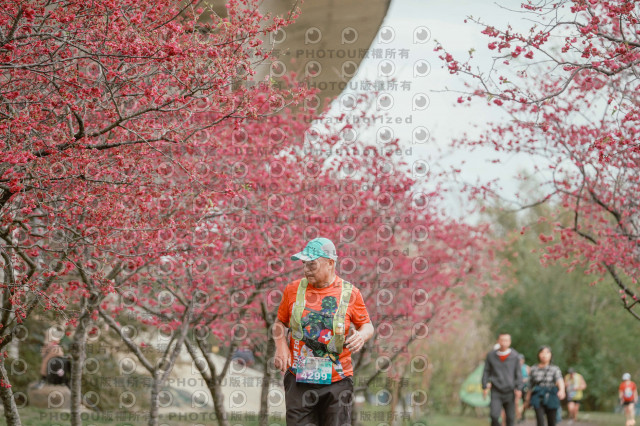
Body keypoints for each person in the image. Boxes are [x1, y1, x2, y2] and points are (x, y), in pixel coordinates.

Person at [273, 237, 375, 425]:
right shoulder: (293, 290)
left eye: (312, 264)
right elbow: (279, 323)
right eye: (304, 264)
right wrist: (281, 346)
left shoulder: (350, 293)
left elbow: (367, 326)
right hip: (299, 379)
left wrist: (362, 335)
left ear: (330, 263)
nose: (306, 269)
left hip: (338, 381)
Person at [482, 332, 523, 426]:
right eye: (502, 340)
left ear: (510, 342)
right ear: (498, 341)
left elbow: (518, 373)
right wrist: (484, 385)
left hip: (510, 391)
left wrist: (519, 388)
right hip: (496, 390)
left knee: (510, 418)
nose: (504, 343)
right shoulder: (491, 356)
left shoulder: (515, 356)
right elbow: (486, 371)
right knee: (494, 416)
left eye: (506, 340)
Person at [524, 346, 566, 426]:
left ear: (551, 355)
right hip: (538, 395)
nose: (544, 355)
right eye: (542, 352)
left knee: (552, 422)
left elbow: (559, 380)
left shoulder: (555, 369)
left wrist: (562, 390)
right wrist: (527, 400)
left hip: (551, 395)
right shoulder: (533, 369)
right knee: (540, 421)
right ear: (538, 355)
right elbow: (530, 385)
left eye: (547, 352)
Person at [517, 353, 531, 423]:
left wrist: (525, 379)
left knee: (525, 401)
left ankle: (522, 414)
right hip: (517, 387)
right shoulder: (515, 367)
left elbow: (531, 377)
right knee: (517, 402)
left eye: (521, 360)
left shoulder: (526, 367)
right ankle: (519, 416)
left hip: (525, 387)